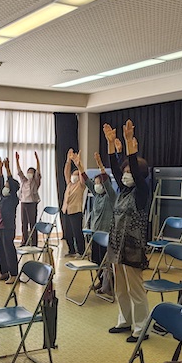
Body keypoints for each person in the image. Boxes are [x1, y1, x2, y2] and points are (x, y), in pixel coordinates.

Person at [104, 121, 151, 342]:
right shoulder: (123, 191)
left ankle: (141, 327)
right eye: (124, 172)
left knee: (135, 290)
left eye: (130, 172)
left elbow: (135, 172)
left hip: (132, 248)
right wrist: (111, 145)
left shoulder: (142, 192)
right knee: (121, 289)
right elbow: (115, 170)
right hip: (116, 246)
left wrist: (131, 151)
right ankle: (125, 320)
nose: (125, 175)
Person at [72, 151, 116, 294]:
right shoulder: (97, 195)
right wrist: (79, 167)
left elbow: (107, 184)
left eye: (99, 183)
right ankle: (101, 281)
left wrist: (101, 166)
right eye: (96, 183)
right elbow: (87, 182)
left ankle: (109, 285)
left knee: (106, 261)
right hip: (95, 233)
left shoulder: (111, 197)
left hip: (106, 235)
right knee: (97, 260)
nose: (96, 185)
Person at [0, 157, 20, 285]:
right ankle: (4, 272)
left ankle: (14, 274)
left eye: (7, 185)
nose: (4, 187)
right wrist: (0, 169)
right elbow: (0, 183)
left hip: (8, 228)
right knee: (0, 251)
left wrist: (7, 168)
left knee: (9, 250)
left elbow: (10, 180)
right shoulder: (3, 198)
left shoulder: (13, 199)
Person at [61, 148, 86, 257]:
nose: (74, 176)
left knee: (77, 233)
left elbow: (83, 176)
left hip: (76, 211)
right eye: (73, 174)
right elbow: (66, 172)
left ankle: (81, 251)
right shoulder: (69, 184)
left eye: (76, 174)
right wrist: (68, 160)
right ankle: (71, 250)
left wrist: (79, 165)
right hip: (66, 210)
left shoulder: (80, 185)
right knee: (67, 233)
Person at [15, 151, 41, 246]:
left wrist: (37, 160)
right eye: (28, 172)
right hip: (23, 203)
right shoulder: (24, 181)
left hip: (32, 203)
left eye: (31, 172)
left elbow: (38, 172)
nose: (29, 174)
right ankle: (24, 241)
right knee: (24, 223)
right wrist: (17, 160)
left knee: (32, 224)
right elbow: (19, 172)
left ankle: (34, 243)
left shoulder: (35, 182)